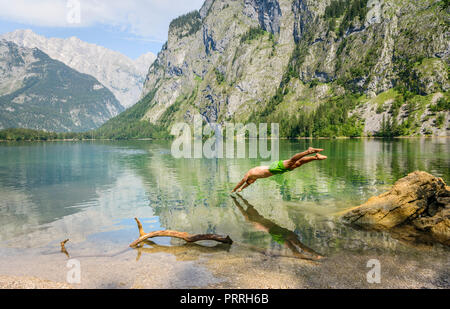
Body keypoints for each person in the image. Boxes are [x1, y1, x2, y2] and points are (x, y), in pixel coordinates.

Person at [232, 147, 327, 192]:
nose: (252, 183)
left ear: (250, 180)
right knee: (297, 164)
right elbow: (246, 185)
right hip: (277, 170)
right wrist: (241, 189)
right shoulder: (254, 178)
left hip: (274, 167)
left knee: (292, 161)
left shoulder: (249, 174)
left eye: (250, 182)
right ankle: (315, 157)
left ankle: (309, 151)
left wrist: (235, 189)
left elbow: (242, 182)